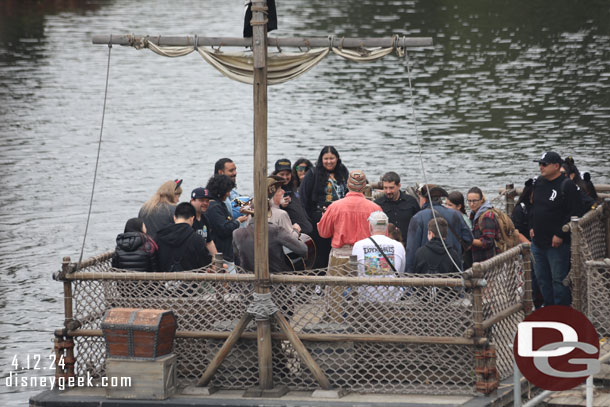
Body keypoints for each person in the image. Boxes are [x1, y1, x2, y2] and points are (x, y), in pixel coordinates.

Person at [530, 151, 582, 306]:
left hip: (557, 243)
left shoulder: (566, 185)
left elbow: (574, 212)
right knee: (542, 279)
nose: (541, 167)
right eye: (540, 164)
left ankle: (562, 311)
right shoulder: (539, 182)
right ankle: (549, 307)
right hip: (538, 241)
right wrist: (532, 226)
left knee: (559, 281)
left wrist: (560, 234)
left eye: (544, 164)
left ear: (556, 166)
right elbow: (535, 207)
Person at [298, 146, 349, 268]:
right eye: (326, 158)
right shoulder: (312, 174)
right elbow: (304, 198)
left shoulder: (343, 172)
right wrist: (308, 222)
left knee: (339, 250)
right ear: (321, 159)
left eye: (332, 158)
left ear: (337, 159)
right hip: (319, 219)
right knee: (321, 253)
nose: (329, 161)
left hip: (340, 219)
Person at [405, 184, 473, 274]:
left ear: (424, 199)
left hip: (426, 275)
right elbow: (469, 239)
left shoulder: (417, 218)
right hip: (453, 270)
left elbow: (412, 250)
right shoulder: (456, 215)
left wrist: (409, 276)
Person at [318, 170, 382, 260]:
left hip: (340, 255)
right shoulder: (376, 209)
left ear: (347, 184)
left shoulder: (334, 207)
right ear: (364, 186)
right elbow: (382, 237)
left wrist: (324, 217)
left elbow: (324, 233)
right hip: (367, 254)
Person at [352, 211, 405, 302]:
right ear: (386, 227)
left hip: (365, 300)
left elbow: (354, 272)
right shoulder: (398, 246)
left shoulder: (358, 245)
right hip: (392, 299)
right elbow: (401, 272)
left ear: (370, 226)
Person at [205, 174, 249, 268]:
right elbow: (223, 229)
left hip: (227, 254)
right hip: (222, 256)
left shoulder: (219, 204)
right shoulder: (214, 207)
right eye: (227, 191)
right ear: (220, 191)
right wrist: (238, 221)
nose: (229, 194)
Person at [156, 202, 211, 272]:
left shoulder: (160, 236)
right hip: (191, 281)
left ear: (174, 217)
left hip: (164, 281)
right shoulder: (197, 239)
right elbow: (205, 264)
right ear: (192, 219)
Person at [233, 223, 307, 274]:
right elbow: (302, 249)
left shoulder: (237, 233)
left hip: (248, 286)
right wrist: (296, 232)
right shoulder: (275, 230)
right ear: (269, 213)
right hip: (276, 286)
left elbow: (235, 254)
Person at [374, 171, 419, 246]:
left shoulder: (411, 202)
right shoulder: (378, 204)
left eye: (391, 188)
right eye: (385, 188)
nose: (388, 191)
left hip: (408, 245)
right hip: (386, 246)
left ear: (399, 186)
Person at [272, 159, 313, 235]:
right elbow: (268, 208)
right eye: (282, 174)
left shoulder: (293, 187)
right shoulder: (272, 189)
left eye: (287, 174)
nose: (285, 177)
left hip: (307, 232)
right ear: (275, 175)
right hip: (294, 234)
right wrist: (280, 204)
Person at [467, 187, 500, 263]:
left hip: (489, 260)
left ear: (481, 200)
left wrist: (469, 241)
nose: (471, 204)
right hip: (478, 258)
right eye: (469, 201)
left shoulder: (487, 216)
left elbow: (488, 242)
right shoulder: (473, 213)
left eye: (474, 201)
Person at [267, 175, 301, 239]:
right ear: (272, 195)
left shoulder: (252, 212)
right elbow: (291, 238)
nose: (283, 191)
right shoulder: (281, 214)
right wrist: (296, 230)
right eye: (279, 190)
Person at [190, 187, 218, 257]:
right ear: (192, 201)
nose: (205, 203)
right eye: (201, 200)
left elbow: (209, 242)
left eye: (207, 201)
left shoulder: (205, 219)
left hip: (202, 258)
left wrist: (218, 260)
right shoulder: (187, 217)